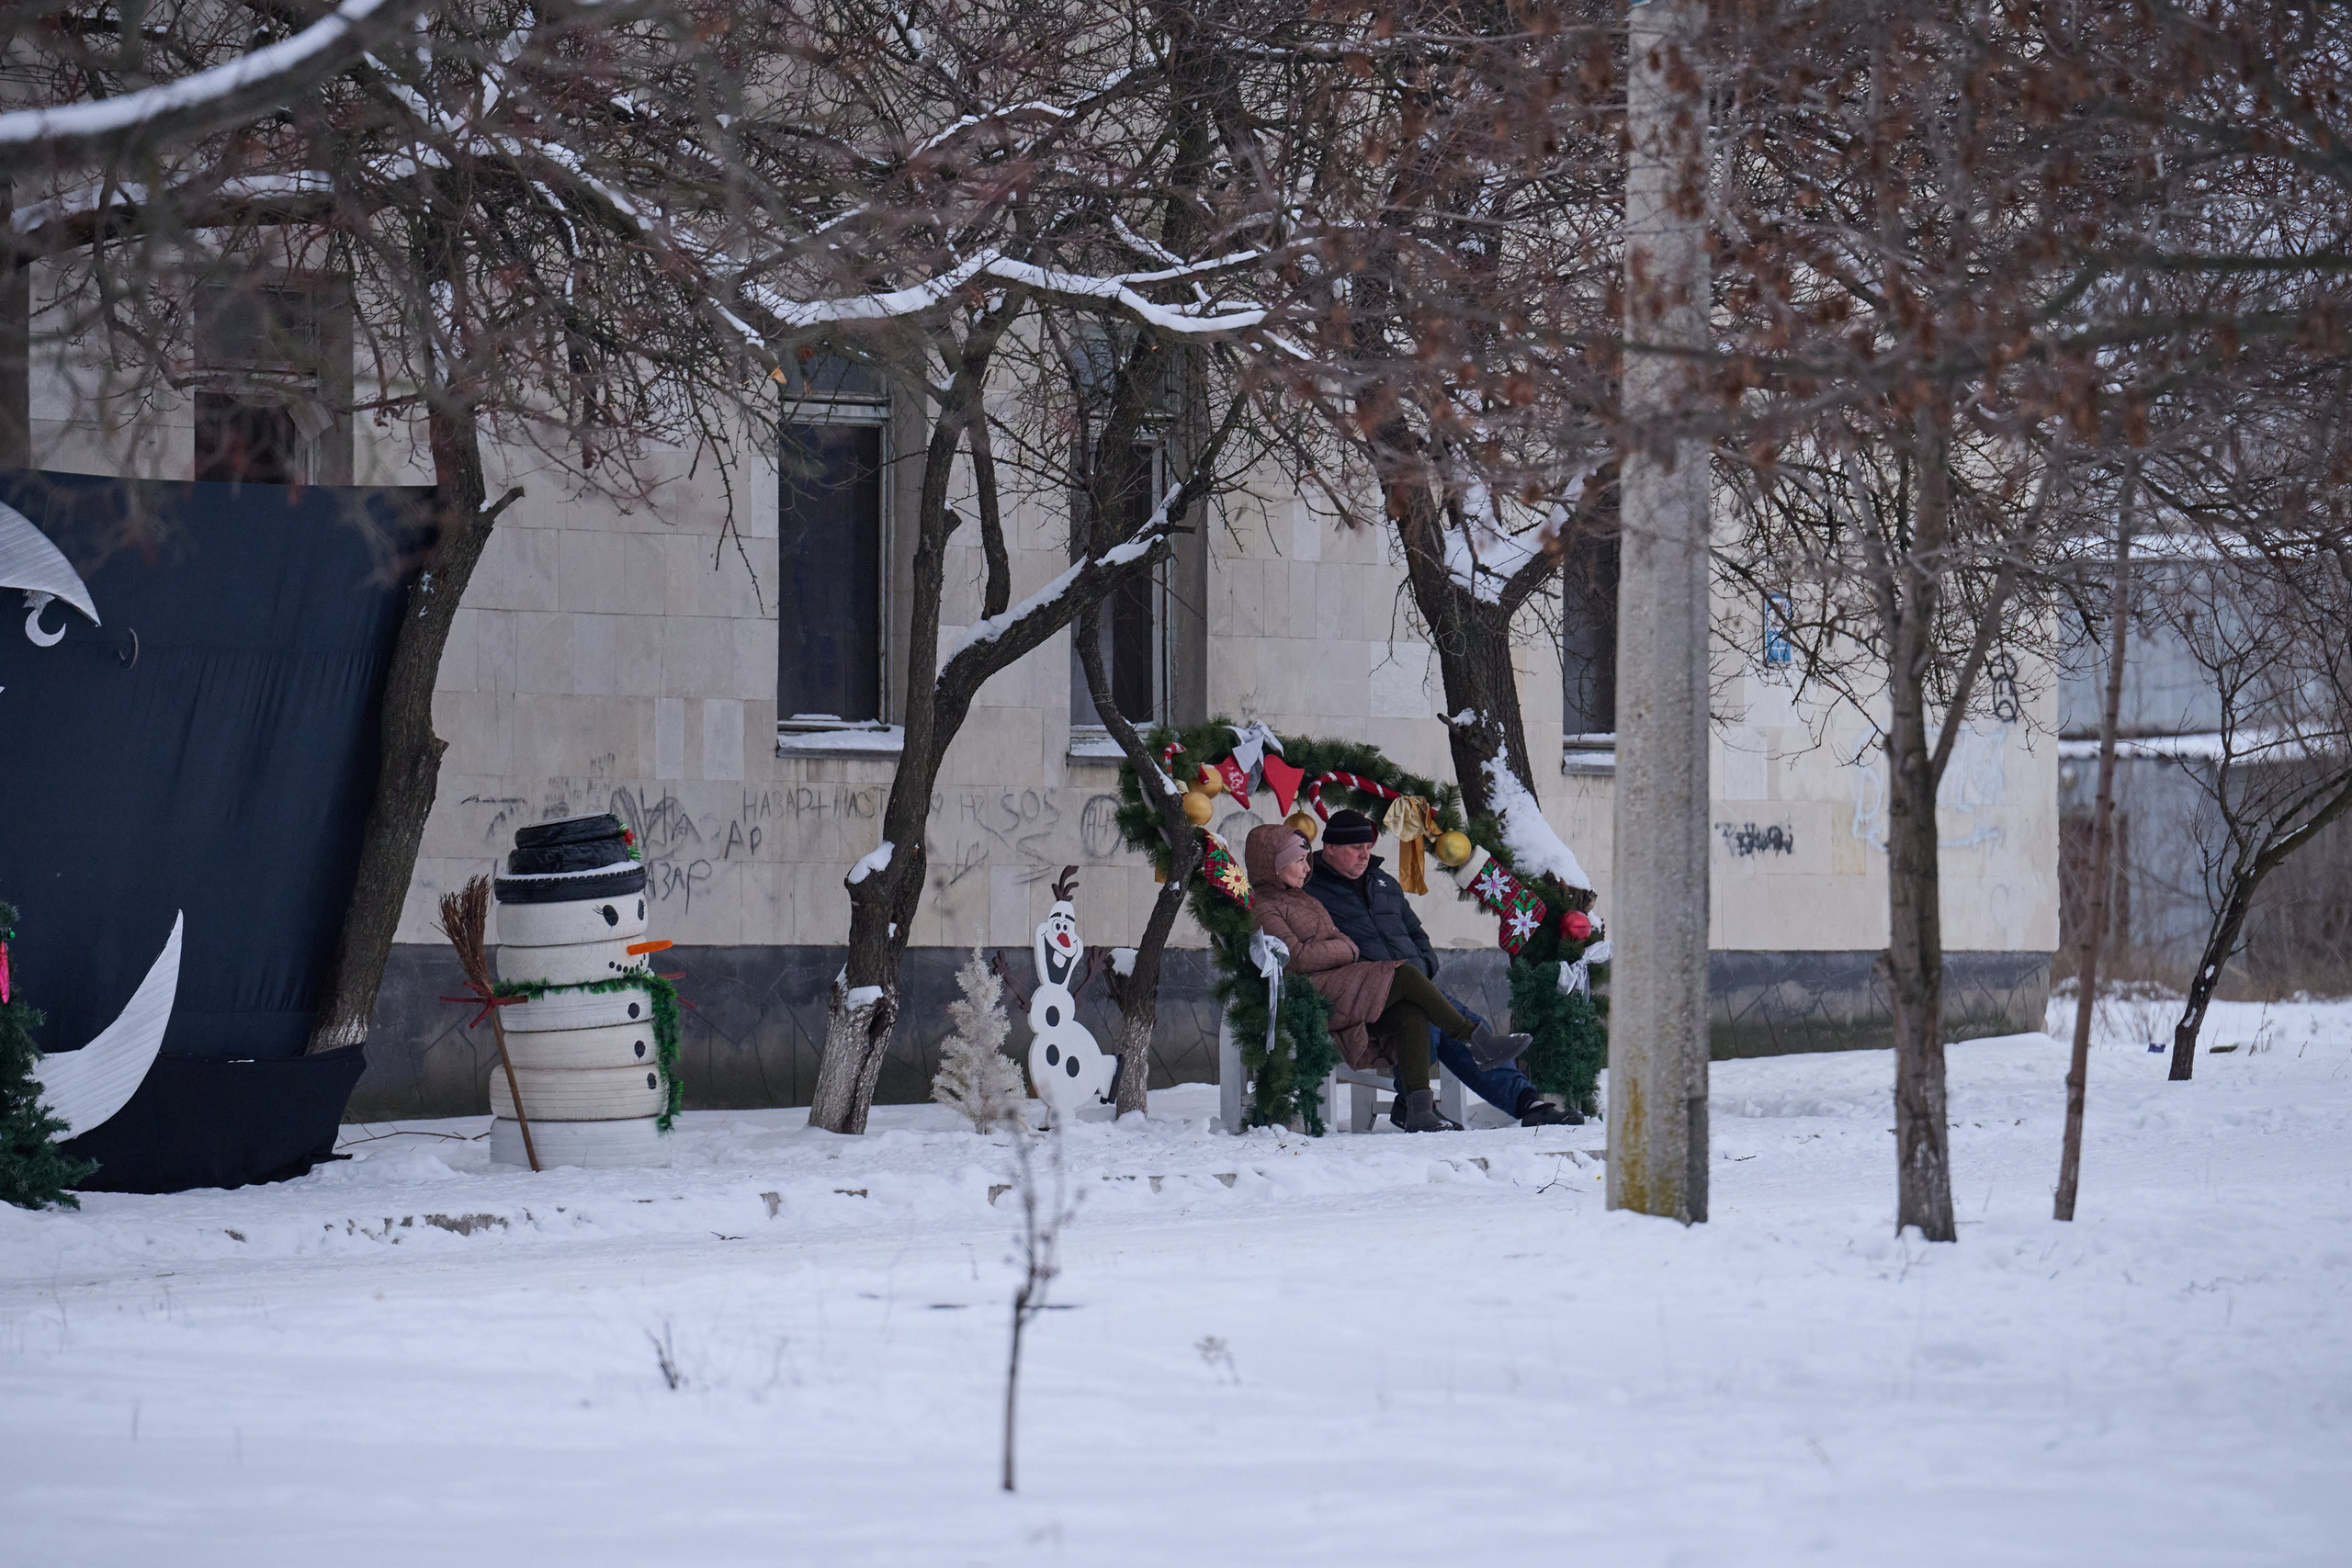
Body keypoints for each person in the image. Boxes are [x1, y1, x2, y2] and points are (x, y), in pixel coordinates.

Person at [1242, 822, 1531, 1134]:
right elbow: (1297, 957)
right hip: (1318, 993)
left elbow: (1356, 939)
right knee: (1406, 976)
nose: (1306, 868)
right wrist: (1343, 950)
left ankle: (1418, 1110)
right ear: (1274, 866)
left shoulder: (1307, 898)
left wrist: (1422, 962)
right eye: (1298, 861)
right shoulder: (1265, 906)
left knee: (1411, 1012)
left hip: (1348, 984)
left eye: (1369, 847)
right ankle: (1475, 1039)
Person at [1305, 808, 1580, 1128]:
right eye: (1356, 848)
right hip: (1363, 995)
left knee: (1458, 1021)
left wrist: (1424, 964)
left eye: (1368, 847)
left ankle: (1527, 1103)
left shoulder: (1383, 883)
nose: (1365, 855)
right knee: (1443, 1026)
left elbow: (1416, 932)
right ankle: (1415, 1103)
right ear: (1330, 847)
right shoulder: (1311, 890)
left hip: (1412, 984)